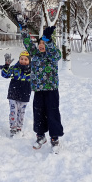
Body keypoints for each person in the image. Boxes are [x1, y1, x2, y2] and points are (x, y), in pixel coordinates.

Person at [19, 23, 64, 152]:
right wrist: (24, 30)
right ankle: (40, 136)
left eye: (43, 44)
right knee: (38, 113)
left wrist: (48, 40)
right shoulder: (35, 54)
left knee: (52, 113)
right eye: (40, 44)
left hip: (51, 90)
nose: (41, 46)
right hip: (38, 90)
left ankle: (54, 139)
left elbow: (55, 54)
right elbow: (28, 43)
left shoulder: (53, 55)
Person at [1, 51, 31, 137]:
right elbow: (5, 75)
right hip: (13, 93)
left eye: (26, 59)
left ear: (29, 61)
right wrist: (6, 65)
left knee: (21, 112)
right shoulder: (15, 68)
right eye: (21, 59)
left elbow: (36, 81)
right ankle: (13, 128)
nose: (23, 61)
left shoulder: (32, 71)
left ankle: (19, 128)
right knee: (13, 111)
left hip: (25, 94)